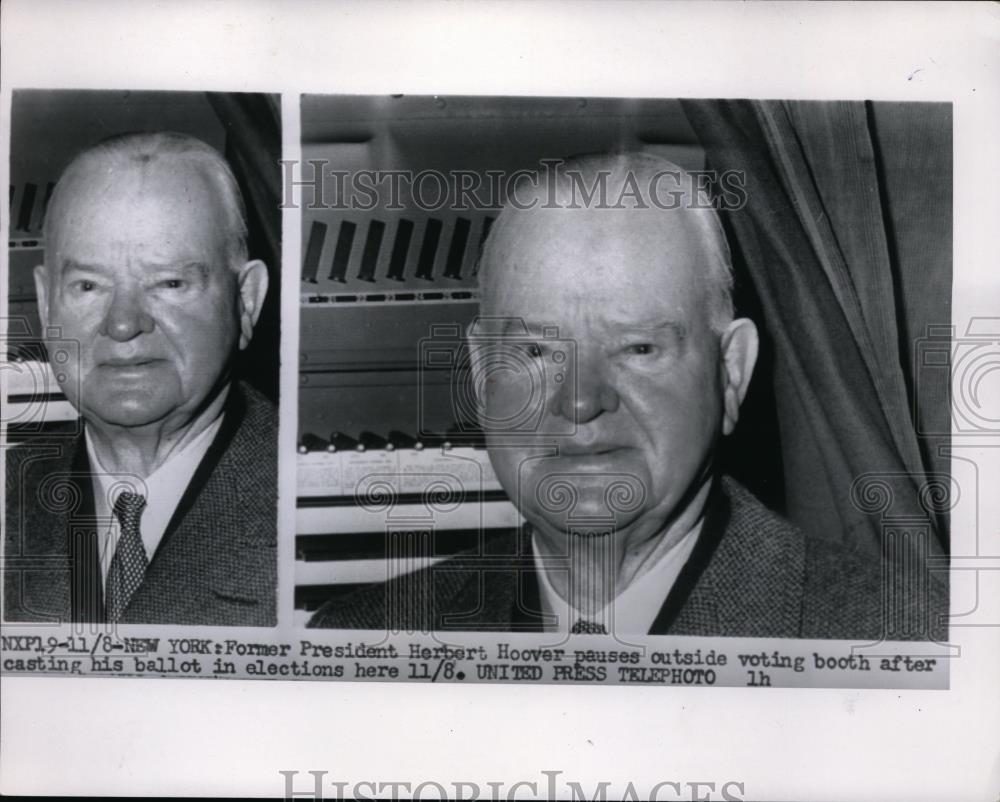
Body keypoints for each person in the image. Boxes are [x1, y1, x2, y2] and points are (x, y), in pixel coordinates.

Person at [309, 152, 945, 639]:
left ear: (731, 374)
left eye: (638, 348)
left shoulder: (900, 643)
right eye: (535, 352)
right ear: (482, 377)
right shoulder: (357, 641)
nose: (580, 401)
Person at [4, 132, 277, 626]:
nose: (123, 323)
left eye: (169, 283)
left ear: (246, 301)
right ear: (46, 308)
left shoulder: (319, 530)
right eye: (88, 285)